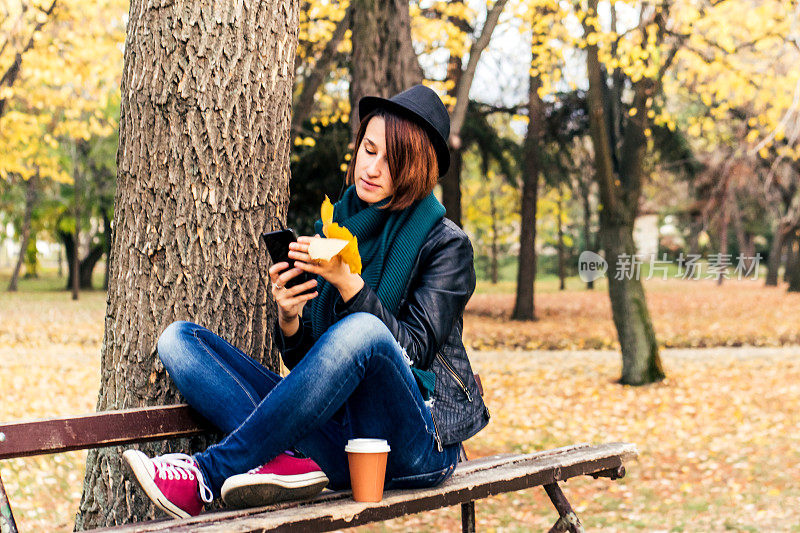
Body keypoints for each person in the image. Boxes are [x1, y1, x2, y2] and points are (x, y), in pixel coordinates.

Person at [123, 84, 490, 519]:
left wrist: (350, 285)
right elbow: (313, 372)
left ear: (416, 171)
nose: (371, 168)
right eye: (368, 150)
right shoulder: (335, 227)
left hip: (416, 448)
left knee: (365, 331)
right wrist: (290, 318)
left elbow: (412, 351)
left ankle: (207, 474)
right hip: (339, 443)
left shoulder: (446, 245)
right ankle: (284, 460)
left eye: (391, 161)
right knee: (179, 341)